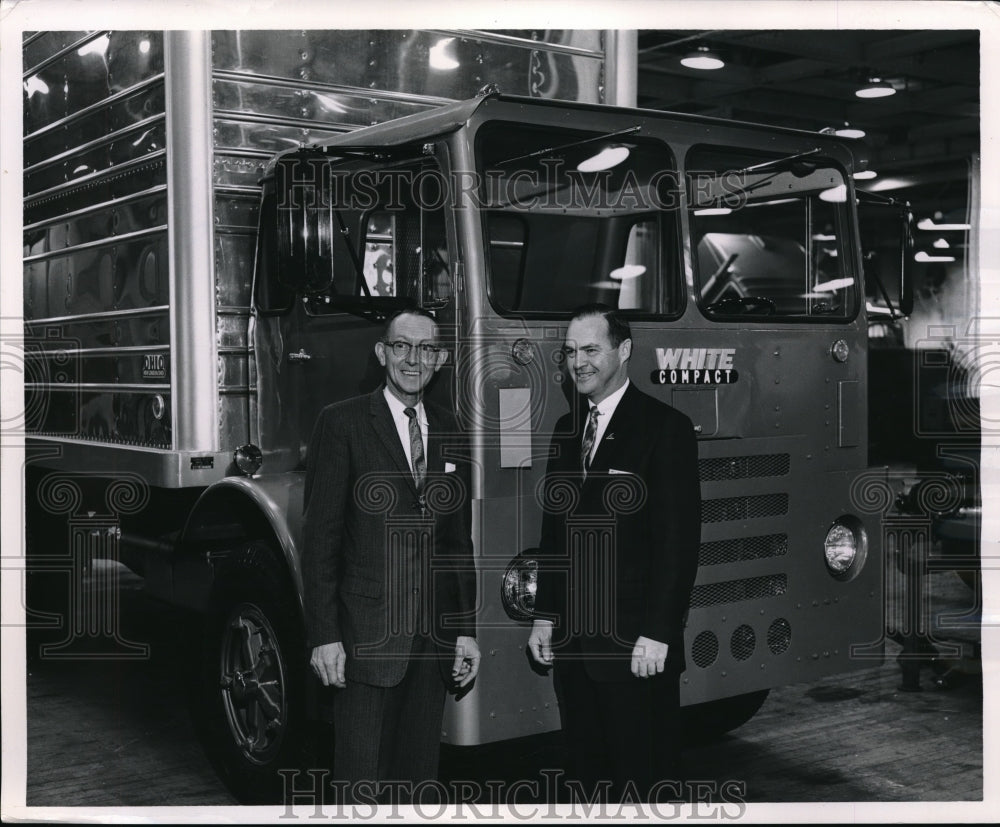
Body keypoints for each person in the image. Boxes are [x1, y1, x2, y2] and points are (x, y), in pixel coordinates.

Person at [302, 307, 479, 803]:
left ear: (440, 360)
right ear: (382, 353)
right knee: (359, 787)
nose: (413, 359)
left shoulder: (450, 428)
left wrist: (465, 629)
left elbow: (455, 543)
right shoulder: (342, 424)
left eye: (426, 349)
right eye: (401, 346)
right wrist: (325, 637)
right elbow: (320, 541)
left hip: (431, 643)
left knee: (417, 786)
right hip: (365, 640)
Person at [527, 303, 701, 801]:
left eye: (590, 350)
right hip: (575, 648)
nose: (577, 362)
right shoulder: (566, 431)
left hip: (634, 649)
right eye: (570, 352)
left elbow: (678, 541)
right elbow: (555, 534)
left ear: (623, 352)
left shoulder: (665, 428)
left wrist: (658, 633)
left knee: (643, 780)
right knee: (586, 778)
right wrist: (544, 617)